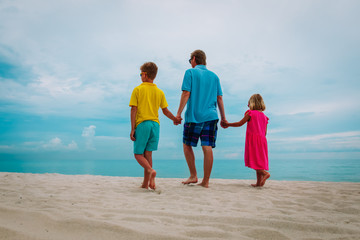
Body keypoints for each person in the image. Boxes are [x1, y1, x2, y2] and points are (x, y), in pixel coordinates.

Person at [176, 50, 227, 188]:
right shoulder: (214, 76)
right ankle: (205, 181)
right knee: (207, 146)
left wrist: (178, 114)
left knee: (187, 145)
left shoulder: (190, 72)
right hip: (211, 116)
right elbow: (219, 98)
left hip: (194, 116)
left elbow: (186, 93)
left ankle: (193, 175)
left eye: (190, 60)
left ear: (193, 59)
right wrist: (223, 118)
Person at [129, 62, 181, 190]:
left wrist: (132, 128)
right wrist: (175, 119)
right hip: (155, 126)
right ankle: (146, 184)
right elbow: (165, 111)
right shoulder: (159, 92)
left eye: (141, 74)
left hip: (143, 124)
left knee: (138, 154)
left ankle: (150, 170)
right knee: (148, 155)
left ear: (145, 75)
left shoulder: (138, 89)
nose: (140, 76)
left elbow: (133, 110)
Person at [222, 94, 270, 187]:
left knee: (254, 160)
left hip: (253, 140)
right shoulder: (264, 117)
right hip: (262, 141)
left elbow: (240, 123)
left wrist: (228, 124)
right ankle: (258, 183)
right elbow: (265, 132)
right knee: (259, 161)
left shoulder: (250, 113)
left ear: (252, 103)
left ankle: (265, 173)